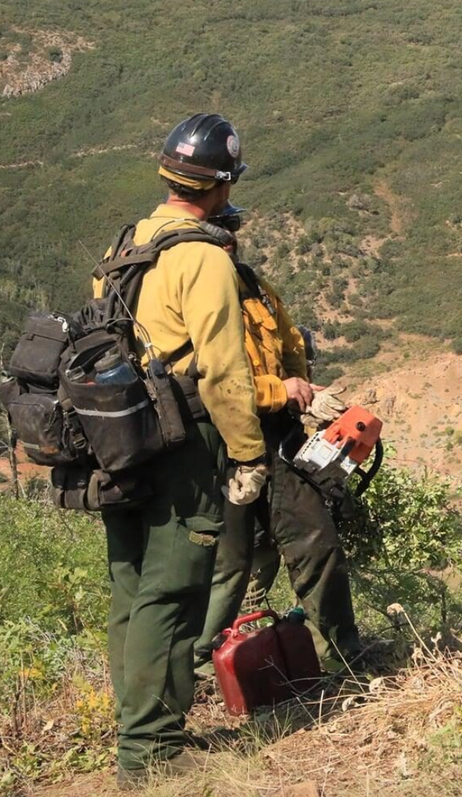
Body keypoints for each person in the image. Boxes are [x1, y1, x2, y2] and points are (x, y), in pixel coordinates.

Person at [98, 113, 265, 787]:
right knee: (172, 591)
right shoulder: (203, 257)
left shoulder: (129, 243)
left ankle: (141, 724)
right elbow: (225, 371)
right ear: (221, 187)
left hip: (120, 436)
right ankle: (149, 753)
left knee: (131, 586)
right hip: (182, 439)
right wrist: (248, 454)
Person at [195, 204, 363, 677]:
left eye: (230, 233)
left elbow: (288, 342)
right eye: (218, 234)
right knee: (227, 563)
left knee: (316, 542)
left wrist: (302, 388)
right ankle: (203, 670)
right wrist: (278, 390)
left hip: (277, 434)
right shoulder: (197, 296)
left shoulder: (252, 287)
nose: (228, 242)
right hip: (217, 440)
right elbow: (210, 377)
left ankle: (343, 658)